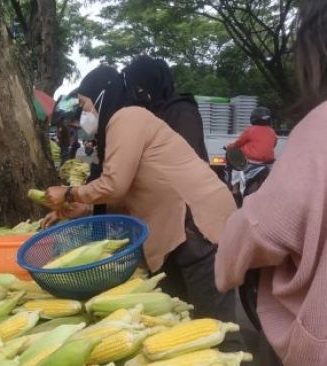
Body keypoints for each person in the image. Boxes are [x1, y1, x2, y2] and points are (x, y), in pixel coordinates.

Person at [43, 65, 239, 330]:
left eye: (85, 104)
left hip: (197, 223)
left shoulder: (127, 117)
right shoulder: (120, 127)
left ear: (101, 96)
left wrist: (69, 192)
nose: (84, 114)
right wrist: (84, 209)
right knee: (183, 319)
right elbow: (127, 195)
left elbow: (115, 184)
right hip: (176, 226)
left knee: (217, 326)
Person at [215, 1, 327, 364]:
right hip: (266, 166)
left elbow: (259, 229)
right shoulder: (271, 134)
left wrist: (226, 263)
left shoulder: (317, 127)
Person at [123, 55, 209, 161]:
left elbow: (187, 158)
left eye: (140, 89)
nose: (137, 95)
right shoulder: (154, 110)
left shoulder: (182, 112)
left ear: (154, 83)